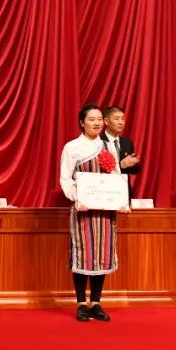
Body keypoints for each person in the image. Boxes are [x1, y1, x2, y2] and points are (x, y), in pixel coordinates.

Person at [59, 104, 128, 323]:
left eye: (99, 119)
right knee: (84, 253)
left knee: (102, 254)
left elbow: (116, 177)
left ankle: (96, 302)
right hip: (84, 210)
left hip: (105, 211)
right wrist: (76, 197)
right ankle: (81, 303)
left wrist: (121, 201)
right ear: (82, 122)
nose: (96, 123)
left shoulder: (108, 146)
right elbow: (65, 178)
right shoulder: (72, 147)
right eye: (91, 119)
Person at [101, 106, 140, 197]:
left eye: (123, 119)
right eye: (116, 119)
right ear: (106, 121)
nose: (121, 122)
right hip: (104, 191)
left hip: (124, 192)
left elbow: (135, 171)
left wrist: (134, 163)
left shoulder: (127, 143)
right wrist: (120, 165)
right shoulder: (98, 141)